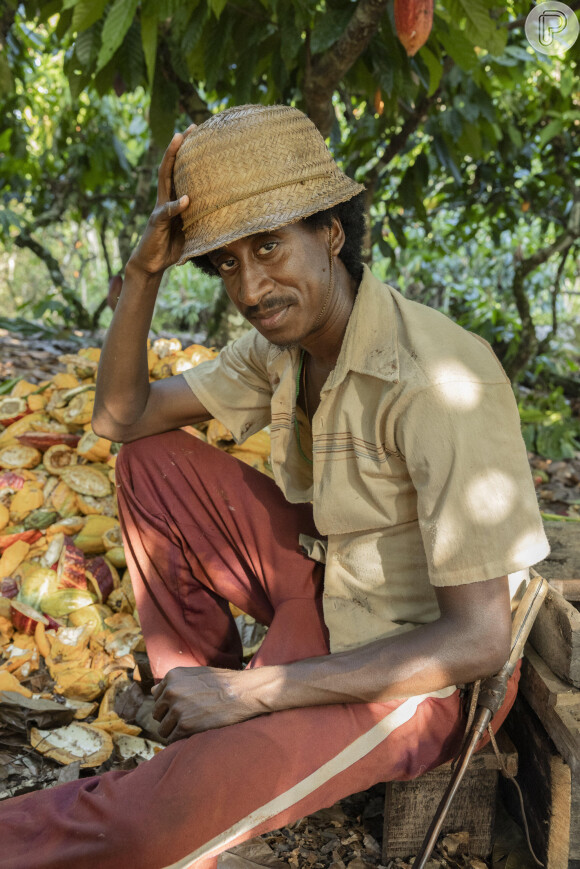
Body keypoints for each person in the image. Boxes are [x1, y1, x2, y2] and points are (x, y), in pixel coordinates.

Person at [0, 105, 549, 869]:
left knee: (145, 825)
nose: (253, 287)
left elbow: (479, 640)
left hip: (416, 676)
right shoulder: (280, 348)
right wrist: (142, 273)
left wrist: (251, 693)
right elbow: (122, 416)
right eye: (227, 262)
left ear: (330, 232)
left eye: (268, 246)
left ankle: (207, 730)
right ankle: (191, 703)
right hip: (332, 586)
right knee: (151, 462)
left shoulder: (433, 380)